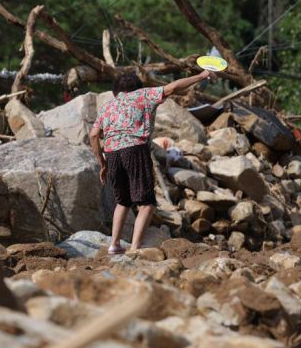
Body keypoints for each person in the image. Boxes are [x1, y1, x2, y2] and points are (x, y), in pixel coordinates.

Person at [88, 70, 216, 254]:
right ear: (137, 87)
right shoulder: (143, 94)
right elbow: (173, 87)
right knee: (146, 203)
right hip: (135, 149)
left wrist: (102, 163)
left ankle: (114, 245)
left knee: (122, 201)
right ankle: (134, 249)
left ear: (116, 91)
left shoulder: (108, 106)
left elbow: (93, 135)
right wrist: (202, 76)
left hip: (112, 153)